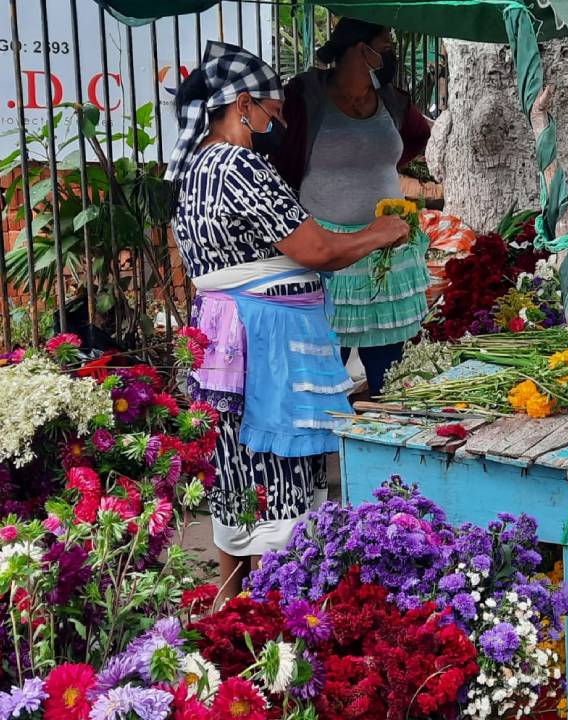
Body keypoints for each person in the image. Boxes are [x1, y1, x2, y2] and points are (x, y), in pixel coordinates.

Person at [167, 41, 410, 605]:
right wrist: (382, 232)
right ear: (243, 105)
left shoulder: (193, 167)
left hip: (222, 339)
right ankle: (286, 610)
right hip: (266, 341)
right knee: (282, 467)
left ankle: (231, 605)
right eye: (272, 111)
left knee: (235, 463)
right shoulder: (240, 166)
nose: (277, 122)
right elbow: (317, 249)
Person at [270, 18, 432, 397]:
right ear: (362, 49)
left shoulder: (391, 99)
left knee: (389, 373)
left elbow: (416, 137)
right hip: (327, 250)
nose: (392, 53)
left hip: (388, 252)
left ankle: (384, 429)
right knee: (321, 371)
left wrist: (372, 172)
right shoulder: (306, 96)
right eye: (386, 45)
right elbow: (280, 157)